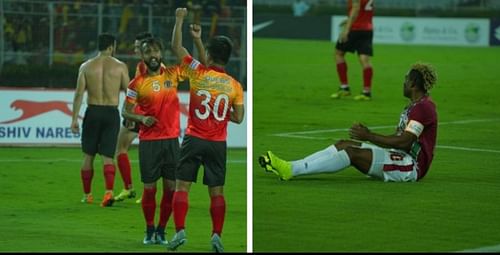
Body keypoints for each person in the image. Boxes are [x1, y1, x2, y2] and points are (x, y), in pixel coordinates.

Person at [260, 62, 437, 183]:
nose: (403, 83)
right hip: (398, 155)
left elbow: (405, 141)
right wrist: (369, 136)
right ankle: (292, 166)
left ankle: (292, 170)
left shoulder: (423, 108)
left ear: (413, 84)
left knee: (352, 153)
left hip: (410, 167)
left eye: (406, 80)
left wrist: (368, 136)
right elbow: (402, 140)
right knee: (344, 144)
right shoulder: (416, 106)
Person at [167, 7, 245, 253]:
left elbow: (176, 48)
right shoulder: (234, 85)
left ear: (209, 55)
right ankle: (216, 235)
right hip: (217, 143)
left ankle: (180, 230)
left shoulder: (198, 73)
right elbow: (239, 118)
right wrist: (220, 114)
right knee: (217, 192)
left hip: (193, 138)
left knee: (182, 187)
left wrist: (179, 20)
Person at [121, 37, 186, 245]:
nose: (153, 56)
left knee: (170, 188)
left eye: (156, 51)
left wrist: (183, 26)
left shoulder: (172, 74)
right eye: (148, 52)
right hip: (149, 142)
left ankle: (161, 230)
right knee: (150, 189)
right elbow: (125, 111)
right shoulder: (137, 83)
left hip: (171, 141)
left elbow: (193, 63)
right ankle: (149, 229)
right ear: (142, 56)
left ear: (161, 54)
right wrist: (141, 118)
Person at [71, 33, 130, 207]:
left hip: (93, 111)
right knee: (107, 156)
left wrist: (74, 119)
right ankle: (108, 193)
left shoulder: (86, 67)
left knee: (88, 155)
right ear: (112, 46)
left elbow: (79, 94)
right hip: (111, 113)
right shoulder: (120, 67)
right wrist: (131, 113)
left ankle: (87, 195)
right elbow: (130, 92)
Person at [114, 32, 154, 204]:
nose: (135, 49)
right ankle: (129, 188)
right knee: (121, 148)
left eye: (138, 47)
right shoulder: (147, 64)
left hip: (143, 115)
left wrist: (133, 114)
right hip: (142, 113)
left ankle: (137, 190)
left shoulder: (146, 66)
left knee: (146, 155)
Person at [331, 0, 374, 101]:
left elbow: (356, 9)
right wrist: (348, 20)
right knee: (364, 59)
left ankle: (344, 87)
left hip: (354, 29)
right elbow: (364, 11)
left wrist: (346, 29)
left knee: (338, 54)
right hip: (367, 29)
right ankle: (366, 92)